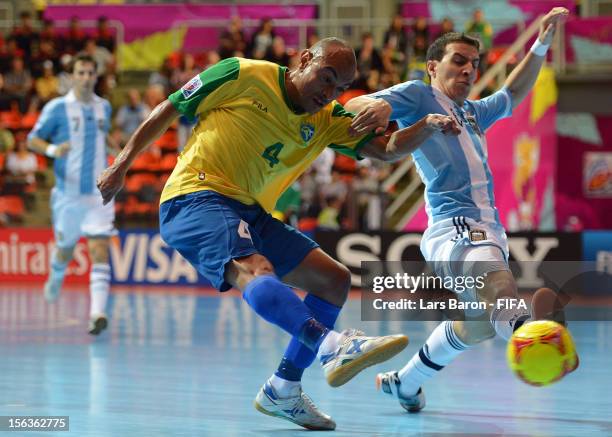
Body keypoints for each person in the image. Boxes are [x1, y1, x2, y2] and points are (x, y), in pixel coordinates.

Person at [97, 38, 454, 430]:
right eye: (326, 78)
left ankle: (283, 388)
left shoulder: (329, 118)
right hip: (195, 196)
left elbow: (386, 149)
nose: (329, 93)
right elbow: (171, 106)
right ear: (304, 60)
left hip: (250, 210)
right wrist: (122, 163)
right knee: (256, 268)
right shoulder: (242, 72)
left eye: (340, 88)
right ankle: (332, 345)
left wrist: (427, 125)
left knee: (333, 281)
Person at [345, 8, 575, 412]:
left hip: (488, 229)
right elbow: (361, 102)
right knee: (499, 285)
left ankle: (405, 382)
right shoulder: (419, 95)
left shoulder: (470, 112)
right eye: (459, 61)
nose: (469, 69)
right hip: (457, 228)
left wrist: (540, 43)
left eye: (474, 63)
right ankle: (531, 335)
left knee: (479, 326)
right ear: (433, 66)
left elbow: (511, 95)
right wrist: (377, 107)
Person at [28, 54, 117, 336]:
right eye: (81, 72)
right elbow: (33, 139)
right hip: (68, 195)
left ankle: (97, 314)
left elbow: (103, 138)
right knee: (65, 250)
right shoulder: (57, 108)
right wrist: (54, 150)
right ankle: (56, 275)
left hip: (98, 194)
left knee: (99, 249)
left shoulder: (105, 107)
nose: (87, 77)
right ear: (72, 76)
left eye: (91, 73)